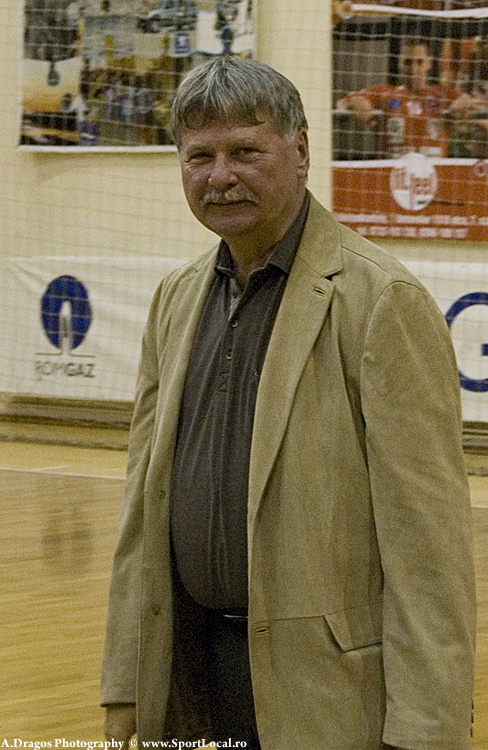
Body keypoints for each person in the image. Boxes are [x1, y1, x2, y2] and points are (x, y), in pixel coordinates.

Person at [101, 55, 476, 750]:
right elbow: (140, 514)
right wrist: (126, 683)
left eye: (245, 151)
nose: (220, 175)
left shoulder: (382, 301)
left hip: (323, 694)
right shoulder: (174, 299)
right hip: (189, 678)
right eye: (200, 156)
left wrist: (428, 731)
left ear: (301, 152)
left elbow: (429, 549)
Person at [337, 38, 474, 157]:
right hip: (394, 172)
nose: (413, 69)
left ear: (428, 63)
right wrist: (357, 103)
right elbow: (342, 102)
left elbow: (474, 104)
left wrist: (465, 102)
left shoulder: (443, 94)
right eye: (408, 62)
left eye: (419, 62)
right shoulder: (385, 93)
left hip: (433, 172)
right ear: (399, 63)